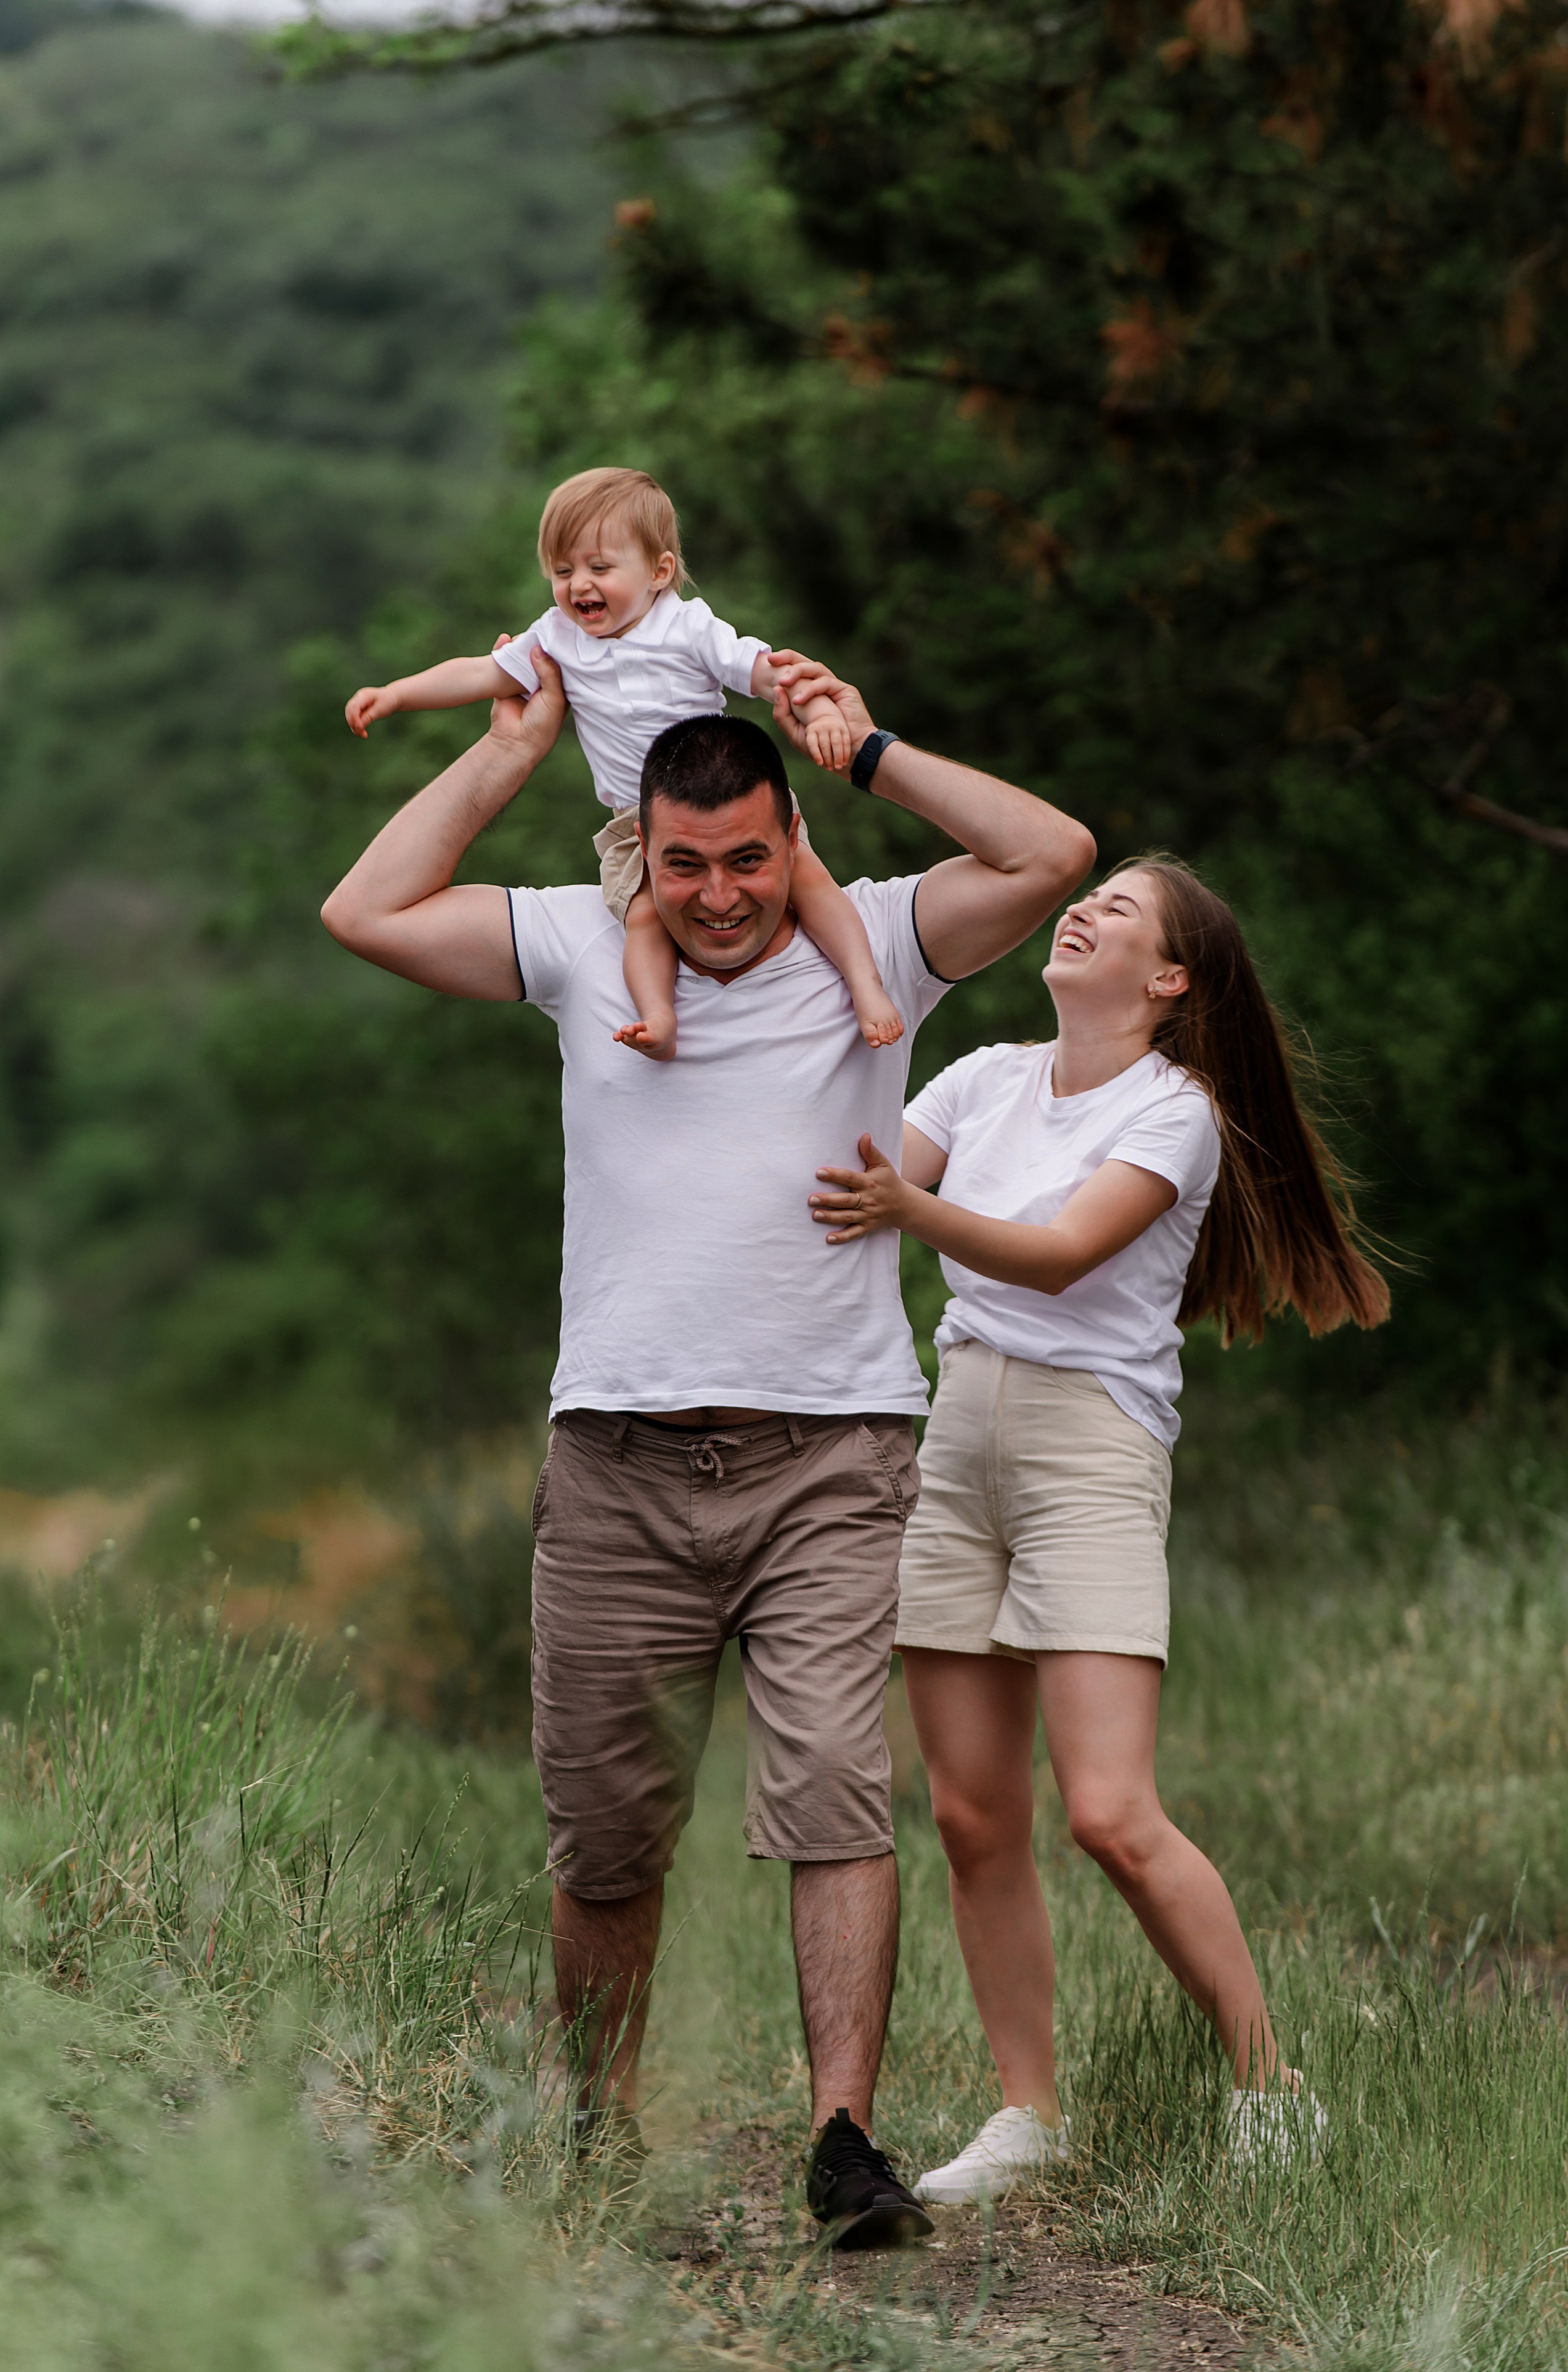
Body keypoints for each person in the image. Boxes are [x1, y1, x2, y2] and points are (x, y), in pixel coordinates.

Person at [319, 646, 1096, 2246]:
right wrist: (507, 750)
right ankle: (595, 2134)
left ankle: (842, 2145)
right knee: (608, 1835)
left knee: (834, 1797)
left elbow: (1051, 853)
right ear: (643, 852)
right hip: (617, 1459)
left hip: (832, 1457)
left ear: (789, 836)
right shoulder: (581, 941)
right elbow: (366, 910)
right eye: (686, 866)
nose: (722, 895)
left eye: (749, 858)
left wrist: (864, 748)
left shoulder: (881, 934)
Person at [808, 856, 1389, 2199]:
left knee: (1112, 1814)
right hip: (958, 1433)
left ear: (1169, 977)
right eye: (1089, 897)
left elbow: (1066, 1253)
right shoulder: (983, 1079)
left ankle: (1270, 2086)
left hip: (1090, 1452)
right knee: (970, 1812)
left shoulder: (1174, 1111)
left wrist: (908, 1211)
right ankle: (1029, 2113)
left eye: (1117, 908)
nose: (1081, 910)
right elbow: (847, 1188)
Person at [344, 465, 904, 1060]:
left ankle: (866, 986)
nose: (579, 585)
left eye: (600, 568)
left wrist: (821, 715)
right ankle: (658, 1017)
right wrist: (397, 694)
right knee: (642, 918)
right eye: (563, 571)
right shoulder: (556, 638)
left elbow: (771, 675)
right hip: (633, 821)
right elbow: (480, 673)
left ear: (659, 572)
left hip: (727, 803)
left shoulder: (688, 627)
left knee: (811, 882)